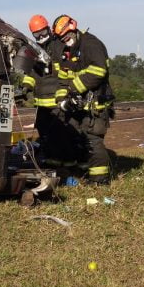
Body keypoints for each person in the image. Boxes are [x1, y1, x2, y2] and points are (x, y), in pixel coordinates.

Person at [50, 15, 114, 185]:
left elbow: (98, 72)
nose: (65, 40)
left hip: (96, 104)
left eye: (67, 36)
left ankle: (100, 180)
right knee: (77, 138)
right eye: (62, 38)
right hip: (78, 103)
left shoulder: (91, 44)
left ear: (74, 28)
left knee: (93, 140)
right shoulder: (67, 52)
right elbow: (63, 78)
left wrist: (73, 89)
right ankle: (84, 172)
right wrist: (62, 98)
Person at [21, 15, 71, 168]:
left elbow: (66, 70)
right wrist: (25, 87)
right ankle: (50, 161)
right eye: (36, 34)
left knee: (60, 133)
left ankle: (65, 163)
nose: (40, 36)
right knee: (43, 131)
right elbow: (31, 73)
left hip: (57, 100)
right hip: (41, 101)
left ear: (48, 28)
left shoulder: (59, 46)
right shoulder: (35, 50)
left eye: (42, 32)